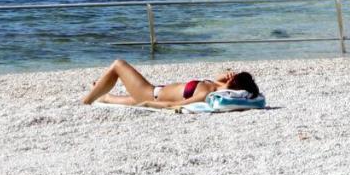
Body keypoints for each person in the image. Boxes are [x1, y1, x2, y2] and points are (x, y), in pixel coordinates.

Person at [81, 58, 260, 108]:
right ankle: (102, 93)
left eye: (233, 76)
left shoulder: (208, 94)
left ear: (235, 84)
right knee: (108, 98)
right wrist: (225, 77)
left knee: (119, 65)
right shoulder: (215, 85)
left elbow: (177, 104)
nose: (230, 75)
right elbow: (216, 79)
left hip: (151, 94)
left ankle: (86, 101)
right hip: (156, 90)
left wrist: (149, 103)